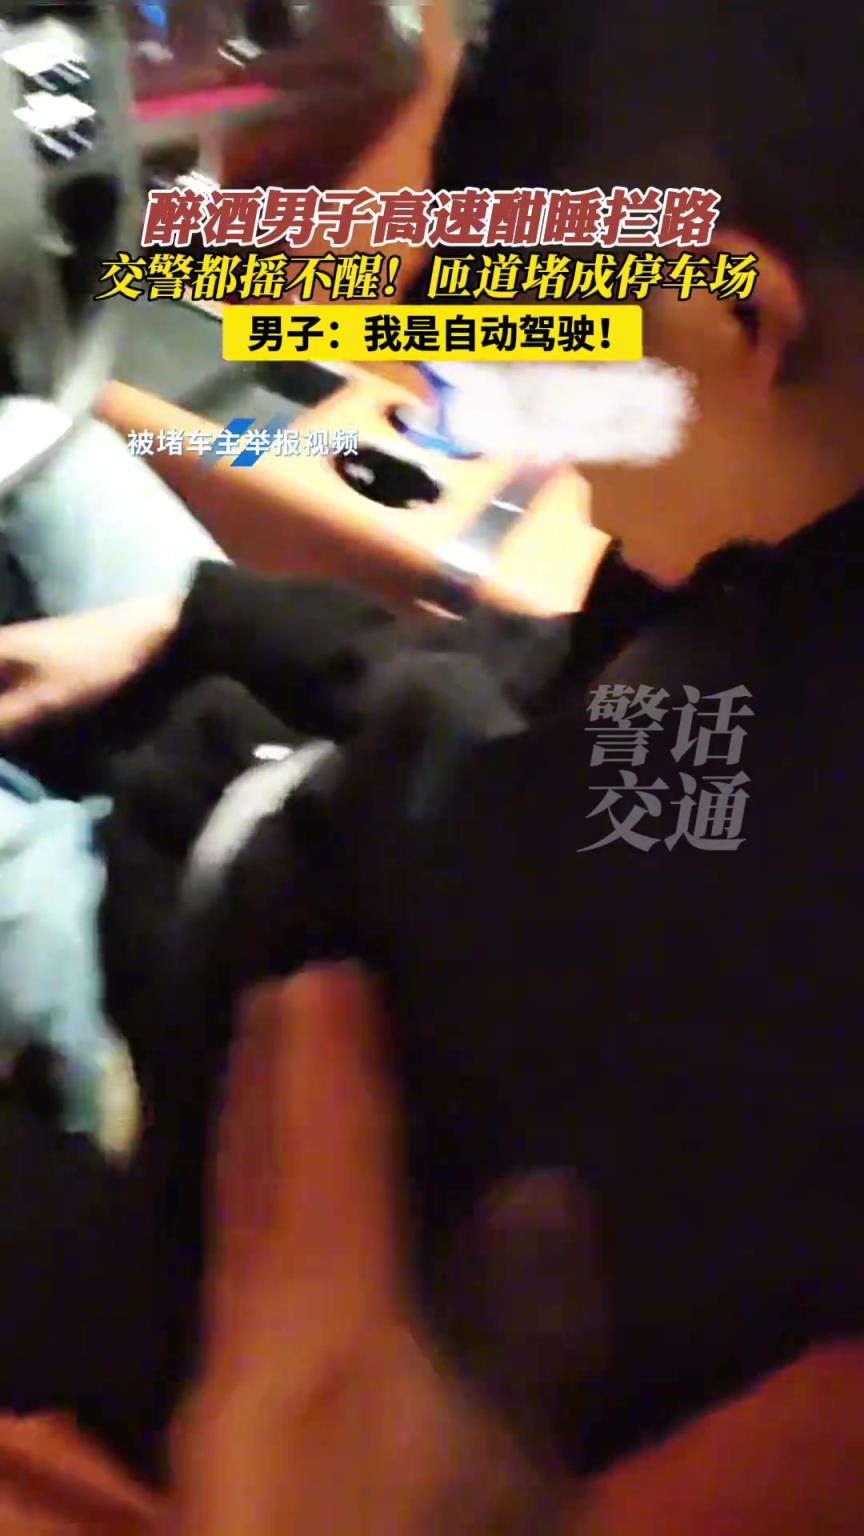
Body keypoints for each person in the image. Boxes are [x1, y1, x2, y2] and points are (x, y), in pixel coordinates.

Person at [0, 0, 863, 1505]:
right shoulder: (753, 576)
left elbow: (191, 1286)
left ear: (743, 318)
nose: (556, 439)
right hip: (259, 757)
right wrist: (198, 623)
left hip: (155, 995)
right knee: (37, 438)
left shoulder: (731, 935)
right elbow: (500, 694)